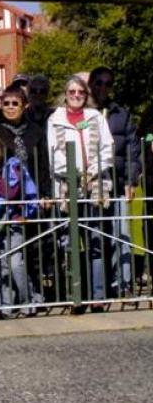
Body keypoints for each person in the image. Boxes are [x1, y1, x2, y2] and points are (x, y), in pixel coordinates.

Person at [47, 75, 114, 310]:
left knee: (95, 241)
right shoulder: (55, 120)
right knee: (70, 243)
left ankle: (97, 296)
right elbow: (53, 154)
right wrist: (75, 173)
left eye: (81, 92)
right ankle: (75, 294)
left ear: (86, 96)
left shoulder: (95, 117)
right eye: (72, 92)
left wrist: (92, 171)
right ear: (65, 94)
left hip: (95, 184)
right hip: (68, 186)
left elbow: (107, 147)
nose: (76, 96)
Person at [0, 85, 51, 308]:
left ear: (25, 105)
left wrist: (45, 194)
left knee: (26, 254)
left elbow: (43, 164)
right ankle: (4, 301)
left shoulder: (35, 131)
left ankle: (29, 296)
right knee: (1, 254)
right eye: (6, 103)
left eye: (15, 103)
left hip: (28, 200)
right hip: (4, 201)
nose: (10, 107)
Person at [88, 66, 140, 297]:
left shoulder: (121, 113)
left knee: (122, 234)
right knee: (97, 236)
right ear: (90, 84)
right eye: (98, 82)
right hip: (93, 185)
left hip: (118, 182)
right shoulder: (84, 113)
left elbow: (132, 148)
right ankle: (99, 288)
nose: (102, 88)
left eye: (108, 84)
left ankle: (124, 284)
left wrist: (131, 180)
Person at [0, 135, 39, 318]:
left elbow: (11, 191)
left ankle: (28, 300)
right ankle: (5, 305)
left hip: (13, 220)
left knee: (15, 264)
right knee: (0, 265)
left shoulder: (13, 166)